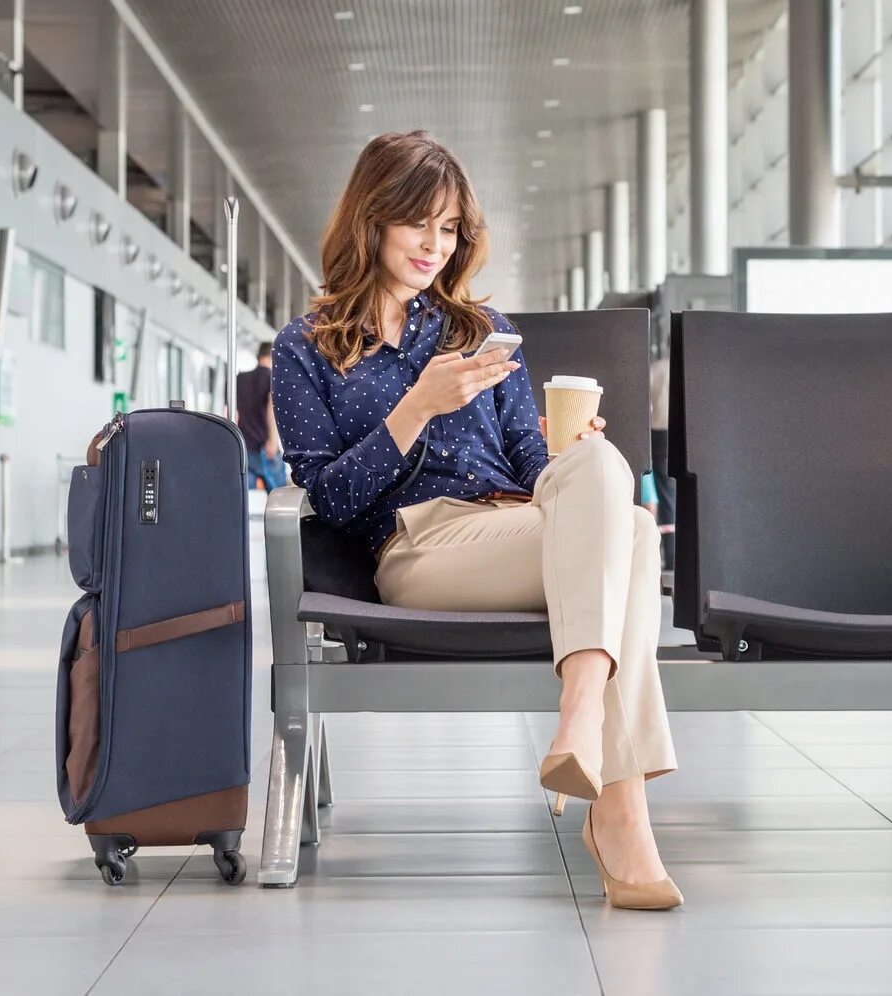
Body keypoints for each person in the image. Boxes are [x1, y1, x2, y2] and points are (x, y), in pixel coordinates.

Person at [270, 131, 680, 910]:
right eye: (417, 221)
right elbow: (328, 499)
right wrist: (417, 406)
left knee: (605, 478)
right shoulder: (307, 346)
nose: (434, 243)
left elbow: (532, 461)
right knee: (624, 533)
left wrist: (574, 455)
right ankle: (617, 807)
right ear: (372, 219)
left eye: (450, 227)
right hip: (416, 547)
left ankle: (583, 716)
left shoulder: (476, 329)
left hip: (517, 531)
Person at [235, 342, 286, 490]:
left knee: (245, 500)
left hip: (244, 446)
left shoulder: (239, 379)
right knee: (280, 499)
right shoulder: (271, 377)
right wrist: (272, 440)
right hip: (265, 447)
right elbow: (272, 407)